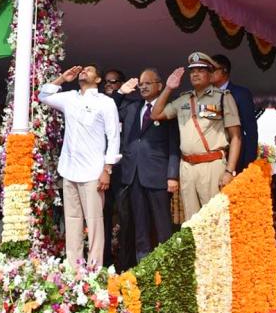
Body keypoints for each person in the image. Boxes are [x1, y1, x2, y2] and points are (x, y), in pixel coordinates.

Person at [38, 64, 120, 268]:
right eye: (83, 70)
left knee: (94, 223)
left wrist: (107, 169)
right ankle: (73, 269)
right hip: (69, 169)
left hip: (93, 171)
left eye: (90, 70)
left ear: (98, 80)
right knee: (72, 220)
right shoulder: (70, 97)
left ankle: (94, 269)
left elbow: (113, 136)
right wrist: (62, 79)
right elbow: (43, 95)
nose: (84, 71)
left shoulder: (105, 102)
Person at [151, 52, 242, 220]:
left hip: (212, 165)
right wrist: (169, 88)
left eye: (201, 70)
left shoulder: (223, 97)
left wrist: (229, 171)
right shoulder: (184, 99)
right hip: (187, 166)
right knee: (192, 222)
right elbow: (156, 115)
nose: (195, 74)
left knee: (214, 219)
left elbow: (236, 137)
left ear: (211, 74)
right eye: (192, 71)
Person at [113, 68, 180, 263]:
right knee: (140, 226)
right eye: (141, 84)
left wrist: (172, 175)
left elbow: (174, 143)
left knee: (162, 225)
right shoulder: (133, 107)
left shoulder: (168, 108)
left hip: (158, 176)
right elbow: (110, 110)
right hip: (133, 175)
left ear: (160, 86)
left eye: (147, 83)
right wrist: (121, 93)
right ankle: (143, 266)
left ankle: (167, 265)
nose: (142, 87)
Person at [210, 54, 258, 172]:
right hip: (211, 158)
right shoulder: (204, 96)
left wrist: (249, 163)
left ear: (224, 70)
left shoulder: (241, 93)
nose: (208, 73)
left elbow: (250, 129)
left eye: (212, 69)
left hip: (235, 157)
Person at [102, 69, 126, 266]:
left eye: (114, 82)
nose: (109, 85)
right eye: (107, 82)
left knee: (125, 215)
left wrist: (121, 97)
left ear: (122, 84)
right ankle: (104, 259)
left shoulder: (130, 106)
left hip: (124, 170)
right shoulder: (99, 105)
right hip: (102, 171)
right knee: (103, 216)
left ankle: (126, 260)